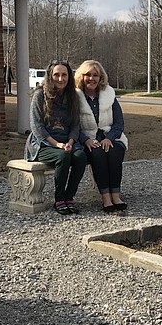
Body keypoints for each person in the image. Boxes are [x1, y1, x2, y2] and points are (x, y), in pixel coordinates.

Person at [24, 60, 87, 215]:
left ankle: (69, 197)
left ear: (69, 77)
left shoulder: (73, 97)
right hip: (43, 144)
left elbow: (75, 125)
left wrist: (71, 142)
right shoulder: (40, 95)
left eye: (64, 75)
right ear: (50, 76)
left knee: (80, 157)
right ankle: (59, 199)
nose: (60, 79)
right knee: (63, 157)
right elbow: (37, 127)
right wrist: (58, 144)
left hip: (68, 142)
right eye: (56, 75)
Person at [75, 59, 129, 213]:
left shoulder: (108, 95)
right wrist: (85, 140)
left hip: (110, 136)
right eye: (87, 75)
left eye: (95, 75)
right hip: (87, 139)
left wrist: (109, 138)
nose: (91, 78)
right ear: (81, 76)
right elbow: (72, 125)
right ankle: (106, 198)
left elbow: (119, 122)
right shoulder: (75, 97)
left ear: (100, 78)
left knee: (114, 151)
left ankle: (116, 195)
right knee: (98, 153)